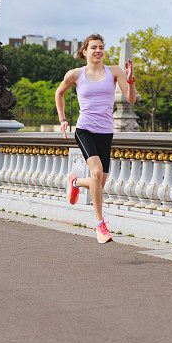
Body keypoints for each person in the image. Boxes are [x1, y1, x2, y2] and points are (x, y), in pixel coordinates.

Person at [55, 34, 136, 244]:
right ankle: (101, 225)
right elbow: (59, 93)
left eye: (101, 47)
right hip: (85, 130)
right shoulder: (75, 74)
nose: (98, 50)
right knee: (97, 172)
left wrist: (130, 80)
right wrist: (63, 120)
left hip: (106, 132)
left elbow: (131, 99)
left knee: (99, 182)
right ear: (85, 51)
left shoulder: (114, 71)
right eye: (93, 47)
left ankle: (76, 182)